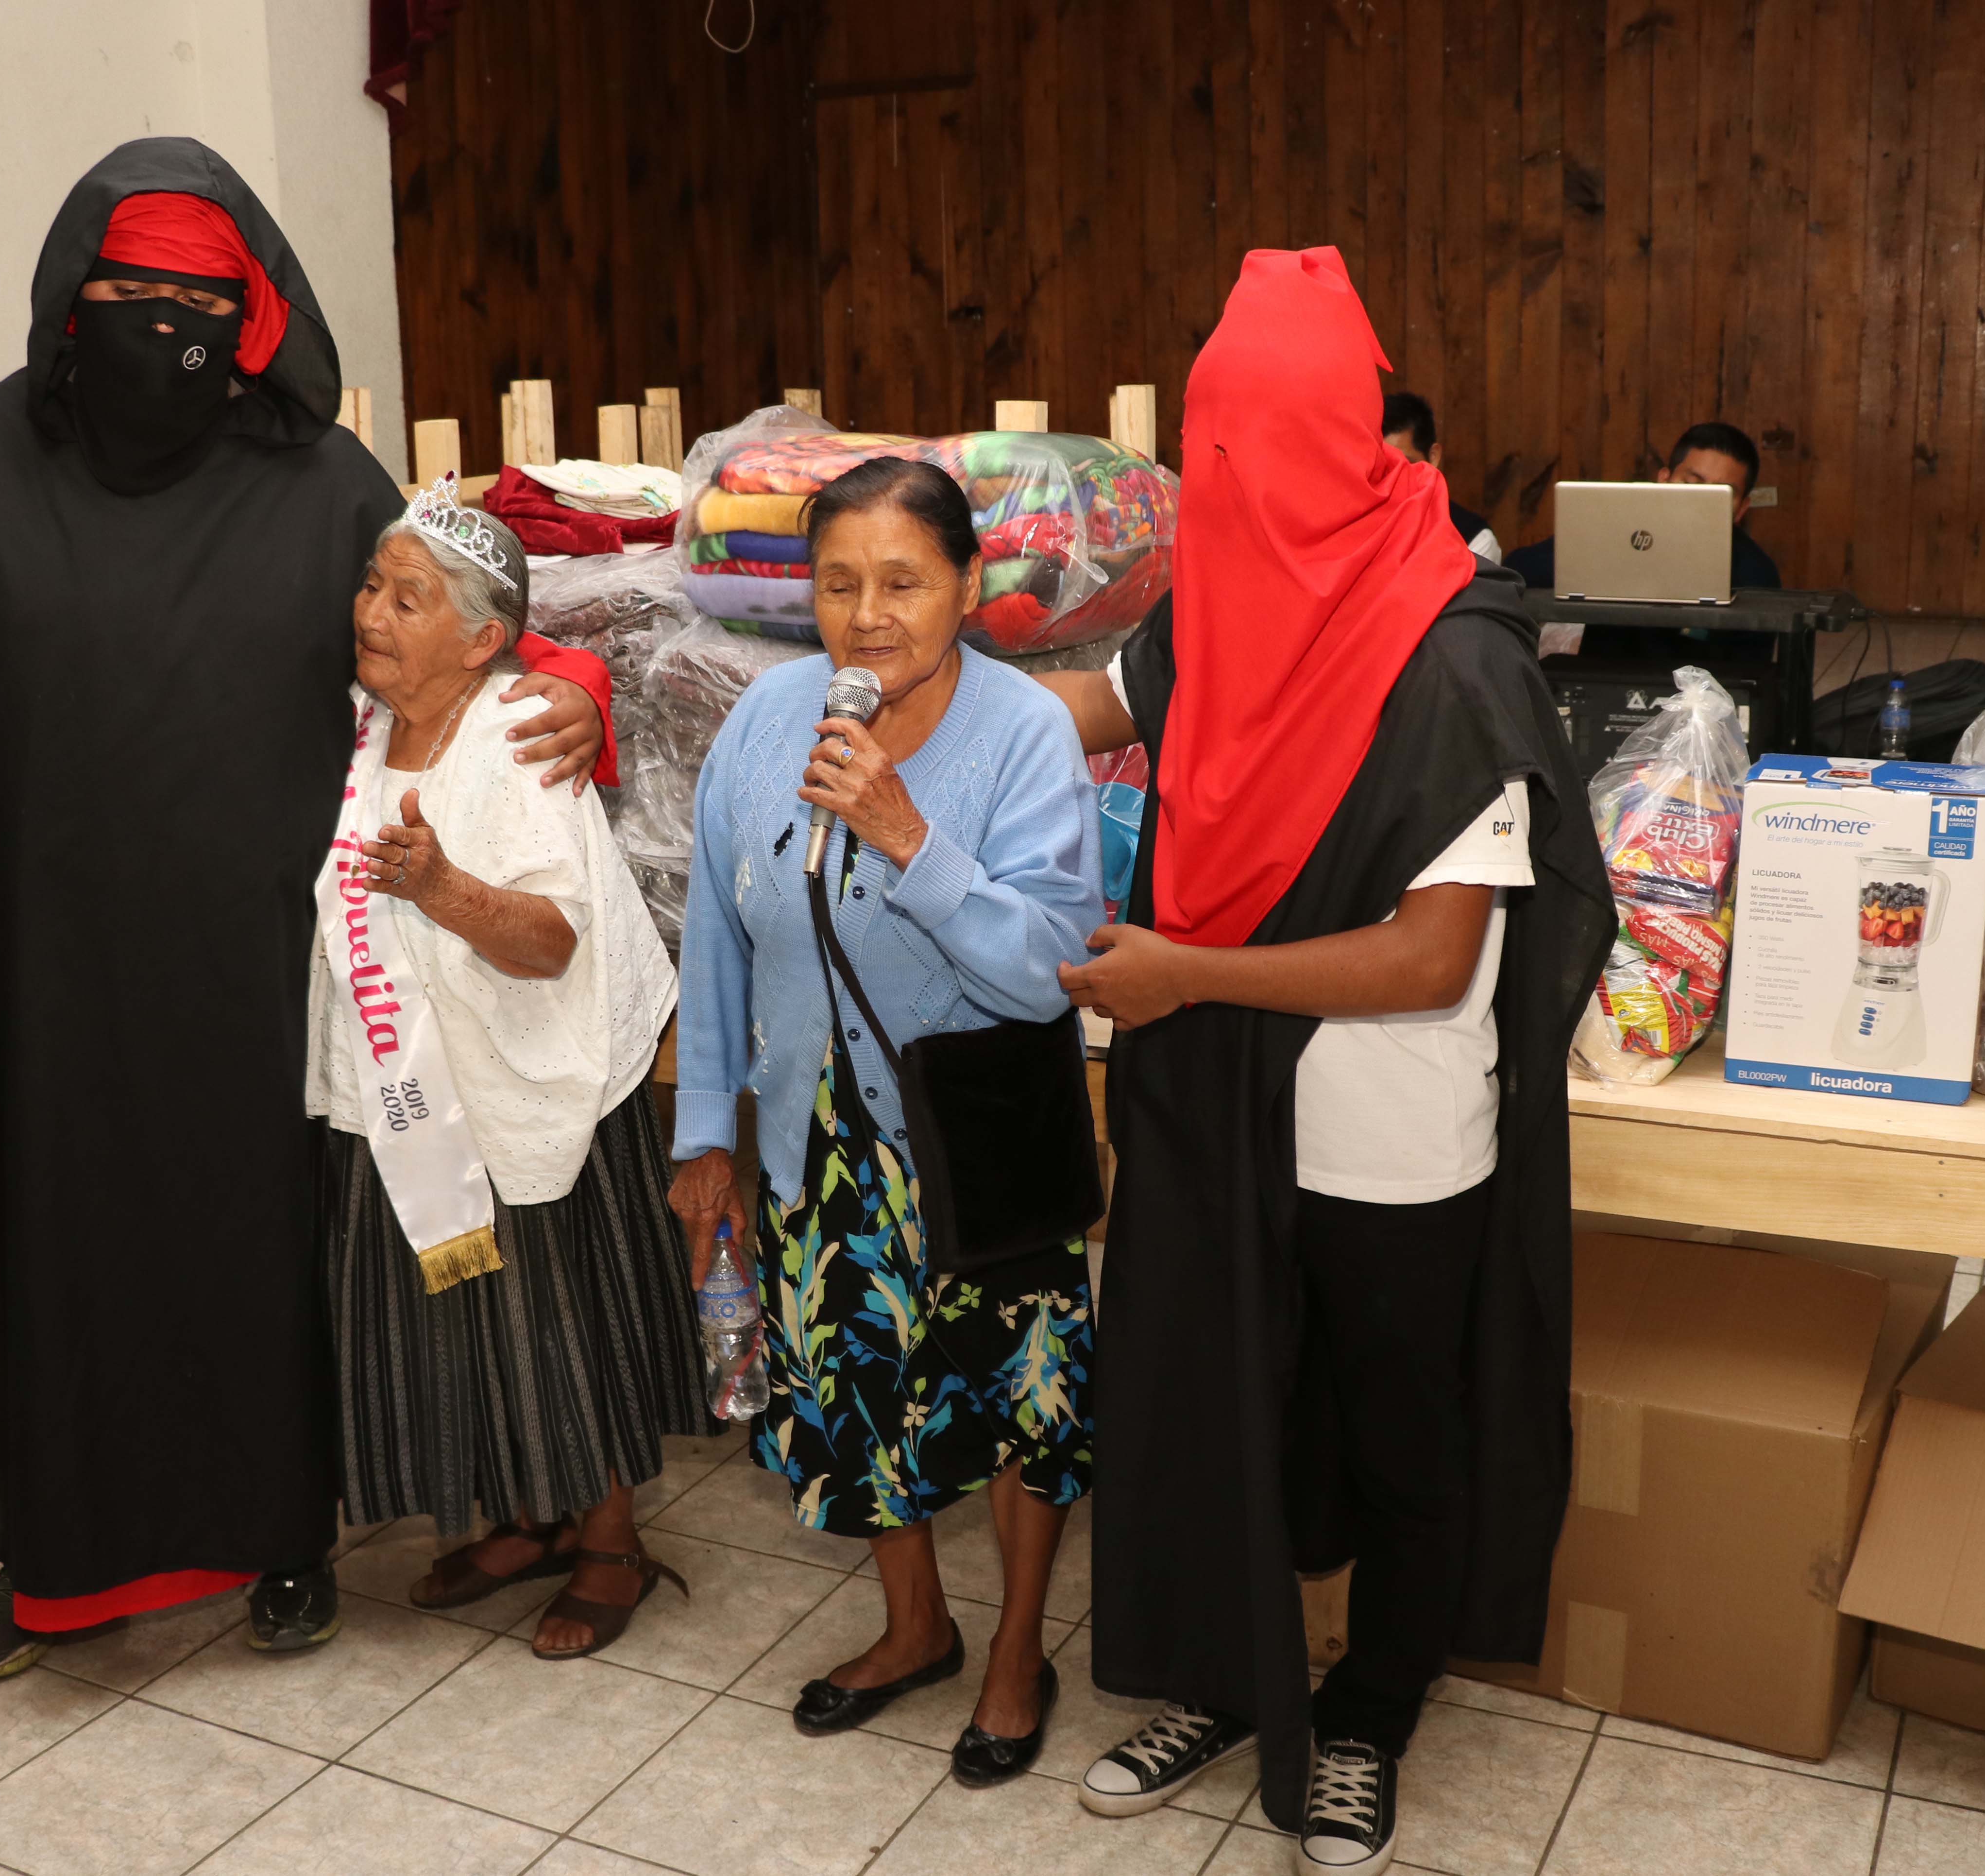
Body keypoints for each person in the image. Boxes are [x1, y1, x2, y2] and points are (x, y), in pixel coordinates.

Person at [0, 138, 617, 1683]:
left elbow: (459, 631)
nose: (163, 328)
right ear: (71, 300)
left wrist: (578, 691)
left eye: (202, 301)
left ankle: (282, 1542)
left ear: (254, 314)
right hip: (37, 983)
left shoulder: (321, 484)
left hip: (261, 977)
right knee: (51, 1274)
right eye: (130, 293)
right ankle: (50, 1570)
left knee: (255, 1264)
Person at [1036, 247, 1612, 1875]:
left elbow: (1433, 963)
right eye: (1199, 451)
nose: (1214, 486)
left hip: (1389, 1139)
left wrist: (1181, 973)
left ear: (1332, 452)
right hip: (1225, 1112)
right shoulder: (1222, 597)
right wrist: (908, 683)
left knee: (1396, 1440)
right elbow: (1097, 704)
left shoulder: (1455, 655)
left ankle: (1366, 1709)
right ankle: (1239, 1675)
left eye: (1242, 452)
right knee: (1235, 1413)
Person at [669, 458, 1103, 1787]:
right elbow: (715, 930)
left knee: (1018, 1403)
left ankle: (1019, 1645)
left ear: (968, 587)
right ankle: (914, 1622)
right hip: (817, 1135)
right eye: (839, 583)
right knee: (854, 1396)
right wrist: (705, 1133)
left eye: (904, 582)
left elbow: (1045, 964)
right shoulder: (770, 717)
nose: (869, 615)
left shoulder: (1027, 730)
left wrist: (908, 835)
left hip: (977, 1144)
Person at [312, 481, 703, 1659]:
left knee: (556, 1314)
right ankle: (527, 1512)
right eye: (373, 585)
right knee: (458, 1306)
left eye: (408, 597)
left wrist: (438, 887)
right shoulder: (362, 727)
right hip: (408, 1083)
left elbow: (549, 939)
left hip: (531, 1074)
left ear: (483, 638)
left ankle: (610, 1540)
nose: (372, 611)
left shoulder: (520, 734)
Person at [1500, 419, 1781, 591]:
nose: (1701, 501)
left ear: (1741, 509)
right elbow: (1516, 571)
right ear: (1664, 479)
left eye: (1720, 493)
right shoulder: (1623, 532)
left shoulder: (1756, 574)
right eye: (1692, 484)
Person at [1379, 391, 1496, 562]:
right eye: (1384, 466)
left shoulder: (1474, 539)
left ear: (1433, 456)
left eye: (1405, 464)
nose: (1393, 477)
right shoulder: (1354, 529)